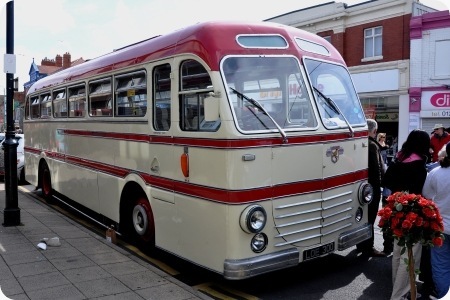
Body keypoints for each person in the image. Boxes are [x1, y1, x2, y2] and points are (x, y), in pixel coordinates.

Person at [381, 129, 431, 300]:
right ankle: (400, 294)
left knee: (398, 251)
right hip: (413, 214)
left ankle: (398, 288)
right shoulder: (419, 166)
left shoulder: (398, 160)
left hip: (395, 210)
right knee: (411, 256)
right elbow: (425, 193)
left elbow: (385, 181)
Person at [422, 142, 450, 299]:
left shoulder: (436, 173)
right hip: (441, 225)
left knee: (440, 263)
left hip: (440, 225)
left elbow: (427, 194)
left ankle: (443, 294)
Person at [356, 119, 386, 257]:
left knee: (361, 216)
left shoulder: (358, 142)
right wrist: (379, 185)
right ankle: (368, 247)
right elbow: (376, 169)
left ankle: (361, 244)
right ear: (374, 131)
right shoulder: (372, 145)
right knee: (370, 217)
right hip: (371, 188)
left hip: (359, 186)